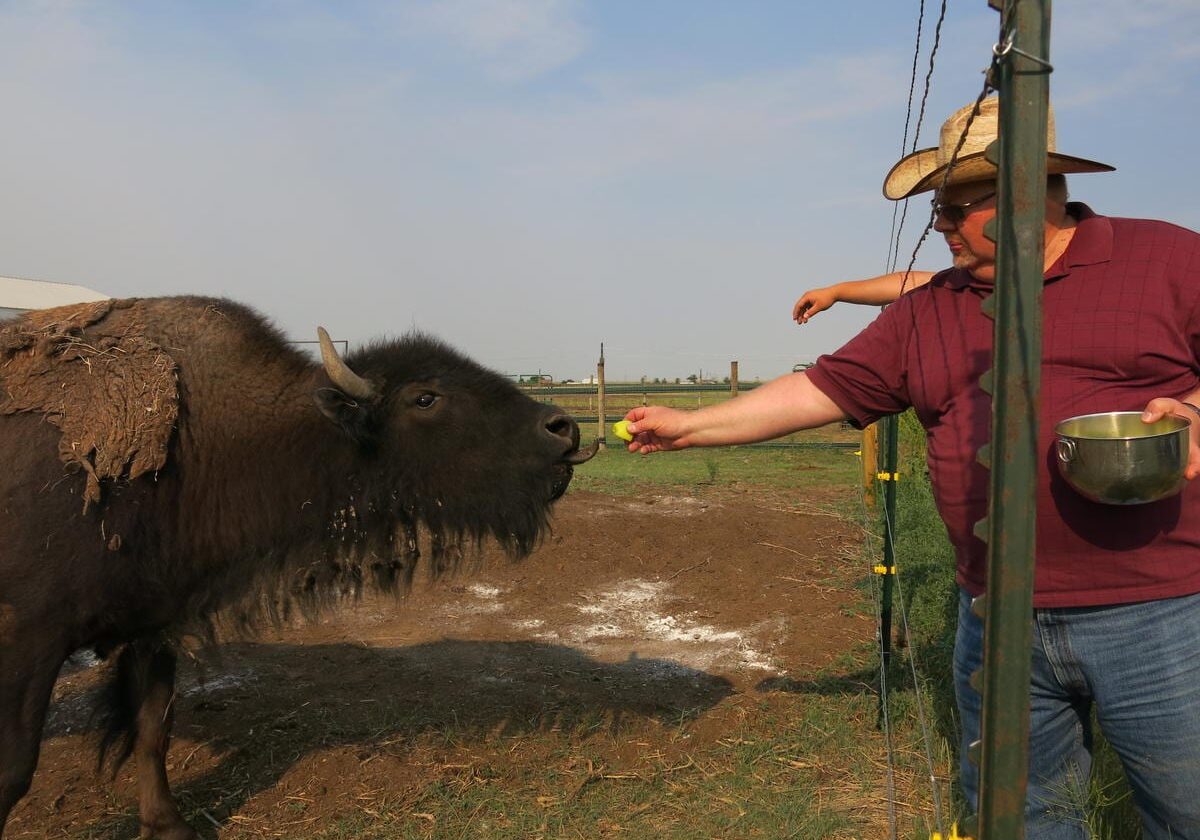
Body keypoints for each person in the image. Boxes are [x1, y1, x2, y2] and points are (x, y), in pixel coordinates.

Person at [623, 96, 1200, 839]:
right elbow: (823, 388)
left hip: (1157, 613)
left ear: (1027, 194)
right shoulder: (932, 307)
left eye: (956, 210)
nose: (941, 227)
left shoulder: (1167, 260)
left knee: (1187, 811)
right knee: (1022, 819)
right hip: (991, 616)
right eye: (938, 211)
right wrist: (692, 425)